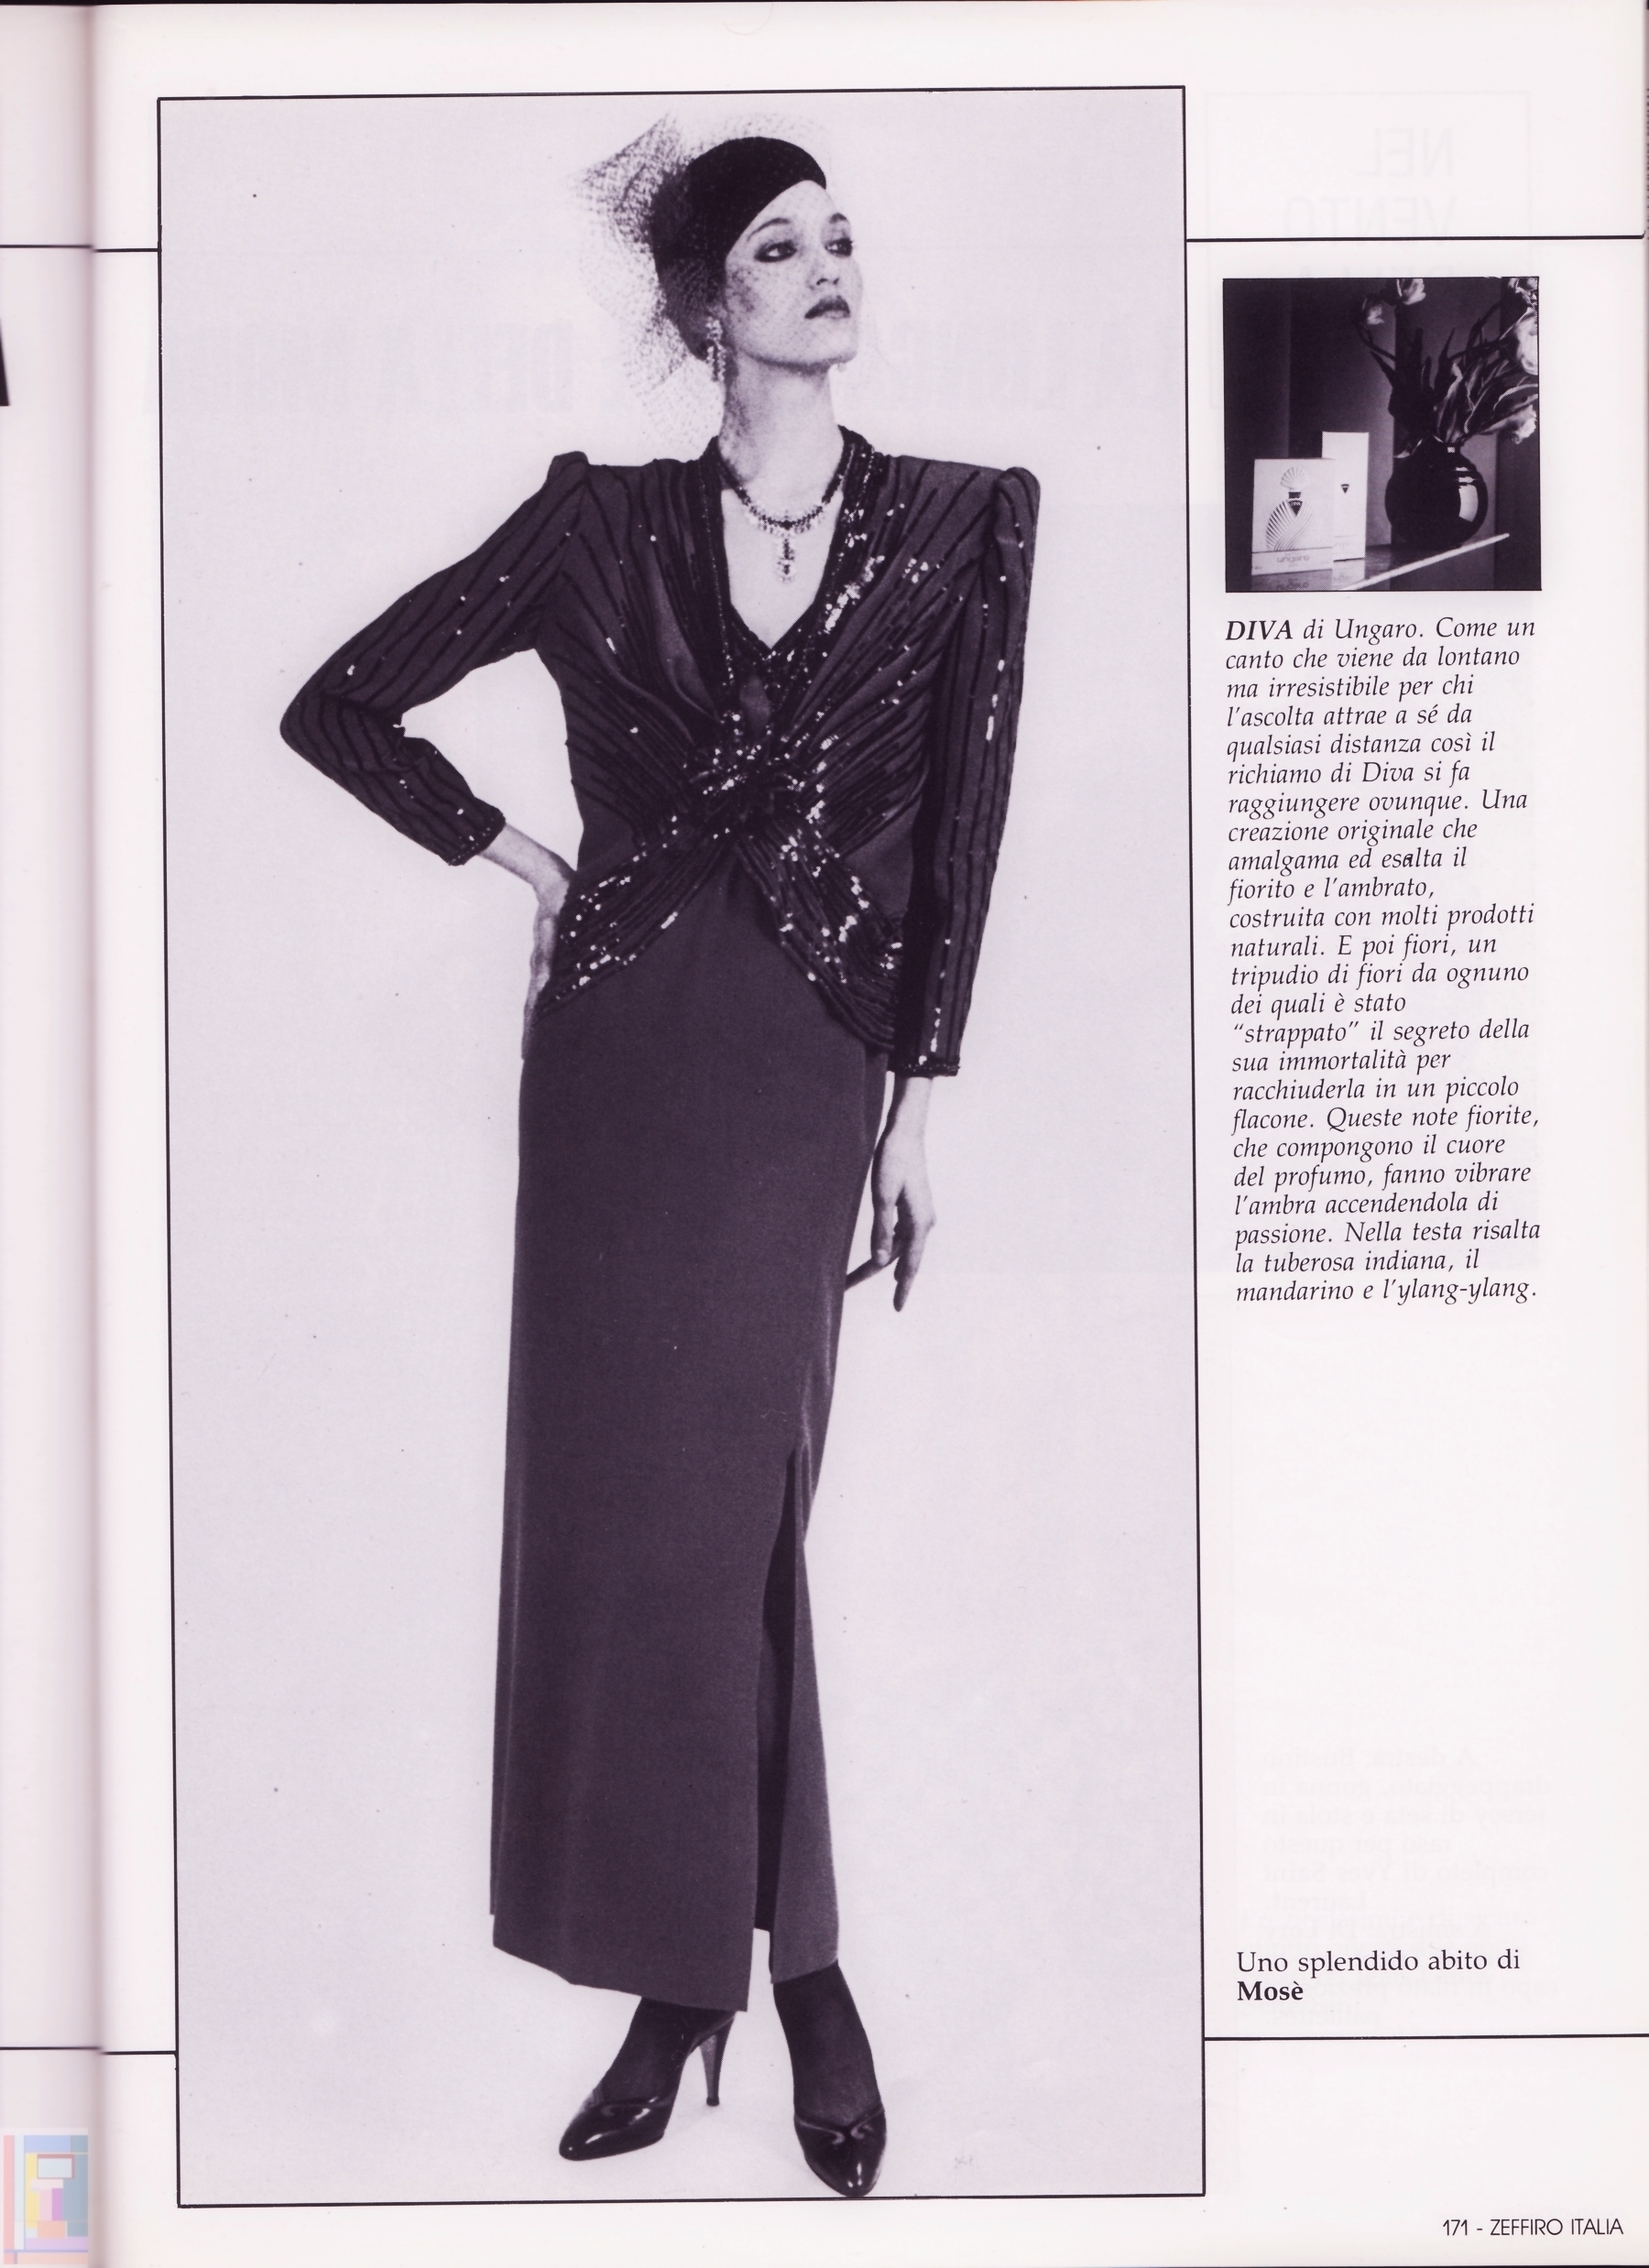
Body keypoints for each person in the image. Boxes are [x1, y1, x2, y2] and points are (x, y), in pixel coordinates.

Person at [280, 132, 1037, 2199]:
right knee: (635, 1527)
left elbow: (962, 836)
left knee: (743, 1509)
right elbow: (339, 707)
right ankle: (739, 1974)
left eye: (843, 236)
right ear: (707, 307)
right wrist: (519, 857)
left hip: (811, 1061)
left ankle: (758, 1978)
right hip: (621, 1059)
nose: (827, 265)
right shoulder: (597, 526)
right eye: (779, 247)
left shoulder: (960, 522)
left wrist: (922, 1103)